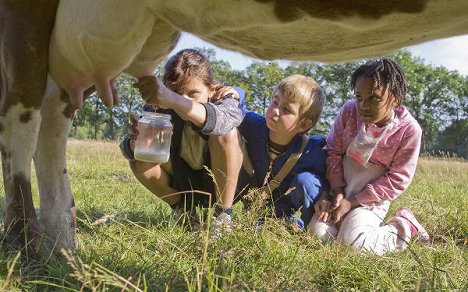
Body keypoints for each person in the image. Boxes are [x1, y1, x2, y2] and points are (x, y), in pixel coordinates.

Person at [308, 58, 430, 255]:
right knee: (317, 233)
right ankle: (345, 226)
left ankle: (405, 227)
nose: (363, 105)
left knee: (355, 245)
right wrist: (338, 192)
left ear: (395, 98)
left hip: (370, 202)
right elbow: (333, 151)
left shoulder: (408, 130)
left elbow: (397, 180)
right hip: (339, 192)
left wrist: (352, 202)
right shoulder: (349, 112)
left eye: (374, 98)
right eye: (359, 97)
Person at [119, 49, 245, 227]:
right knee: (138, 159)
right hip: (183, 180)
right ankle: (184, 212)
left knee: (226, 133)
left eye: (193, 93)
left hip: (224, 183)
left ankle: (223, 217)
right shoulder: (160, 106)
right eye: (176, 92)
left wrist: (173, 100)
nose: (184, 99)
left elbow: (224, 122)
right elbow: (126, 148)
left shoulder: (224, 98)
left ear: (211, 89)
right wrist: (134, 143)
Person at [238, 74, 327, 229]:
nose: (275, 111)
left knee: (307, 180)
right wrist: (235, 92)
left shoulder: (310, 150)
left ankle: (308, 228)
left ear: (304, 124)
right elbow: (236, 107)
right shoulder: (254, 125)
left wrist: (325, 195)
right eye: (275, 102)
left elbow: (324, 180)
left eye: (286, 109)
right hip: (252, 200)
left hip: (284, 207)